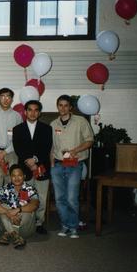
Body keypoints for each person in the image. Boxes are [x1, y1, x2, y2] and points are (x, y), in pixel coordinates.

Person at [51, 95, 93, 239]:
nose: (63, 108)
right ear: (57, 106)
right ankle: (65, 225)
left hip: (75, 164)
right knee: (59, 199)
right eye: (60, 105)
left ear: (70, 107)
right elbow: (51, 147)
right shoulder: (53, 124)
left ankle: (74, 227)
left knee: (71, 198)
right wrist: (51, 164)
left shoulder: (80, 121)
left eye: (66, 105)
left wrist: (75, 150)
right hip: (57, 165)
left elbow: (89, 141)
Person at [13, 100, 53, 234]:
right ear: (25, 112)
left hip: (42, 167)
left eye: (36, 110)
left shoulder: (47, 128)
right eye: (30, 110)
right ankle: (26, 220)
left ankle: (39, 222)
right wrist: (28, 161)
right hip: (24, 168)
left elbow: (46, 147)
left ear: (39, 113)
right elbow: (18, 148)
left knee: (41, 196)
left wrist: (35, 160)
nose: (32, 112)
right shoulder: (17, 129)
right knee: (25, 196)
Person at [0, 165, 39, 249]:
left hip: (25, 229)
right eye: (14, 176)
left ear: (24, 176)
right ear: (10, 177)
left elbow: (34, 205)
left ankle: (9, 233)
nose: (16, 178)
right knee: (2, 206)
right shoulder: (4, 189)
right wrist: (7, 212)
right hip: (7, 224)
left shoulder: (30, 189)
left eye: (19, 175)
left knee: (27, 208)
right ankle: (15, 235)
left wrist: (18, 210)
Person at [0, 88, 22, 189]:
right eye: (2, 96)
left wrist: (5, 152)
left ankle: (10, 203)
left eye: (8, 96)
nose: (5, 99)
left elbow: (18, 138)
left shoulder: (17, 116)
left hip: (11, 152)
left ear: (12, 99)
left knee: (12, 180)